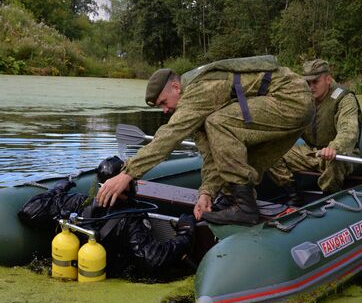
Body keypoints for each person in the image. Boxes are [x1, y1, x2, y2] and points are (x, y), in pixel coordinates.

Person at [97, 55, 314, 225]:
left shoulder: (198, 90)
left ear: (176, 87)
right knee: (234, 152)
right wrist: (206, 193)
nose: (165, 110)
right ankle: (234, 202)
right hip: (286, 107)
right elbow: (212, 155)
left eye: (164, 102)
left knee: (219, 122)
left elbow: (170, 135)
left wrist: (127, 173)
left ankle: (246, 209)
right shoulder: (198, 108)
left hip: (290, 98)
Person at [18, 157, 197, 280]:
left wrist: (56, 191)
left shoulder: (76, 202)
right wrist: (185, 234)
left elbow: (28, 212)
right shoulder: (131, 217)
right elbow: (151, 259)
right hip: (109, 281)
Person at [268, 59, 362, 201]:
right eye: (307, 83)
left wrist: (334, 148)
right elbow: (286, 124)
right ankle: (293, 195)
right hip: (312, 152)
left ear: (328, 79)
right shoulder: (302, 99)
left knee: (335, 161)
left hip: (342, 154)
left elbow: (349, 131)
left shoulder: (345, 99)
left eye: (315, 82)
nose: (311, 87)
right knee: (271, 153)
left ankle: (328, 198)